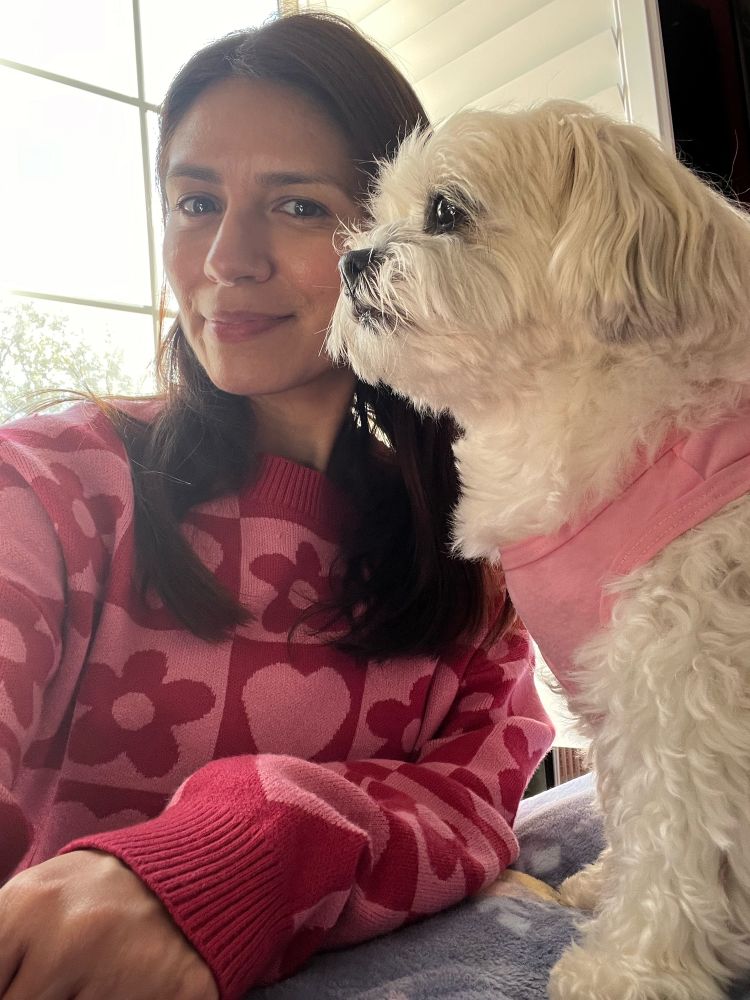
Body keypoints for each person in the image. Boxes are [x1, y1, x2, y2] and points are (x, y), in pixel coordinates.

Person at [0, 12, 554, 1000]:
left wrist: (244, 849)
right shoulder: (45, 489)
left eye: (297, 206)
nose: (226, 258)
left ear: (396, 241)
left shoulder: (477, 573)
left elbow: (472, 807)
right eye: (195, 200)